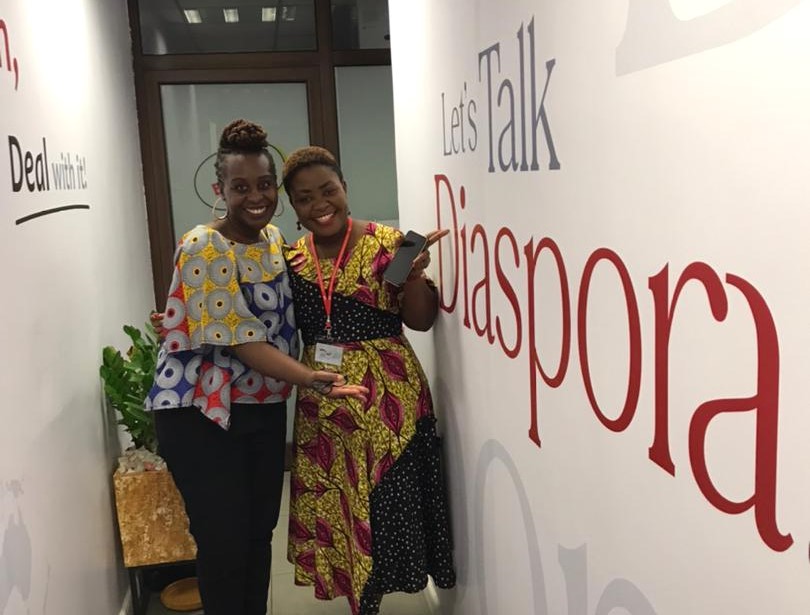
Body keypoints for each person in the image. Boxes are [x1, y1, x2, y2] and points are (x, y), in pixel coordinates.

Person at [145, 120, 367, 615]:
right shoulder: (204, 244)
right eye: (240, 187)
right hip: (202, 414)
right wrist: (311, 378)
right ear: (218, 189)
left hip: (262, 407)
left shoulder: (270, 239)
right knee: (223, 541)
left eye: (264, 185)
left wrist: (396, 261)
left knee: (258, 531)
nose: (255, 196)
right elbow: (246, 340)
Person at [281, 146, 456, 615]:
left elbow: (419, 321)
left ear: (345, 189)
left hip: (389, 396)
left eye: (328, 191)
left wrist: (415, 275)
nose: (320, 204)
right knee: (339, 499)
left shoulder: (392, 245)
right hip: (324, 399)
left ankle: (378, 592)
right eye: (304, 198)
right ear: (294, 209)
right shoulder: (291, 259)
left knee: (384, 499)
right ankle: (361, 598)